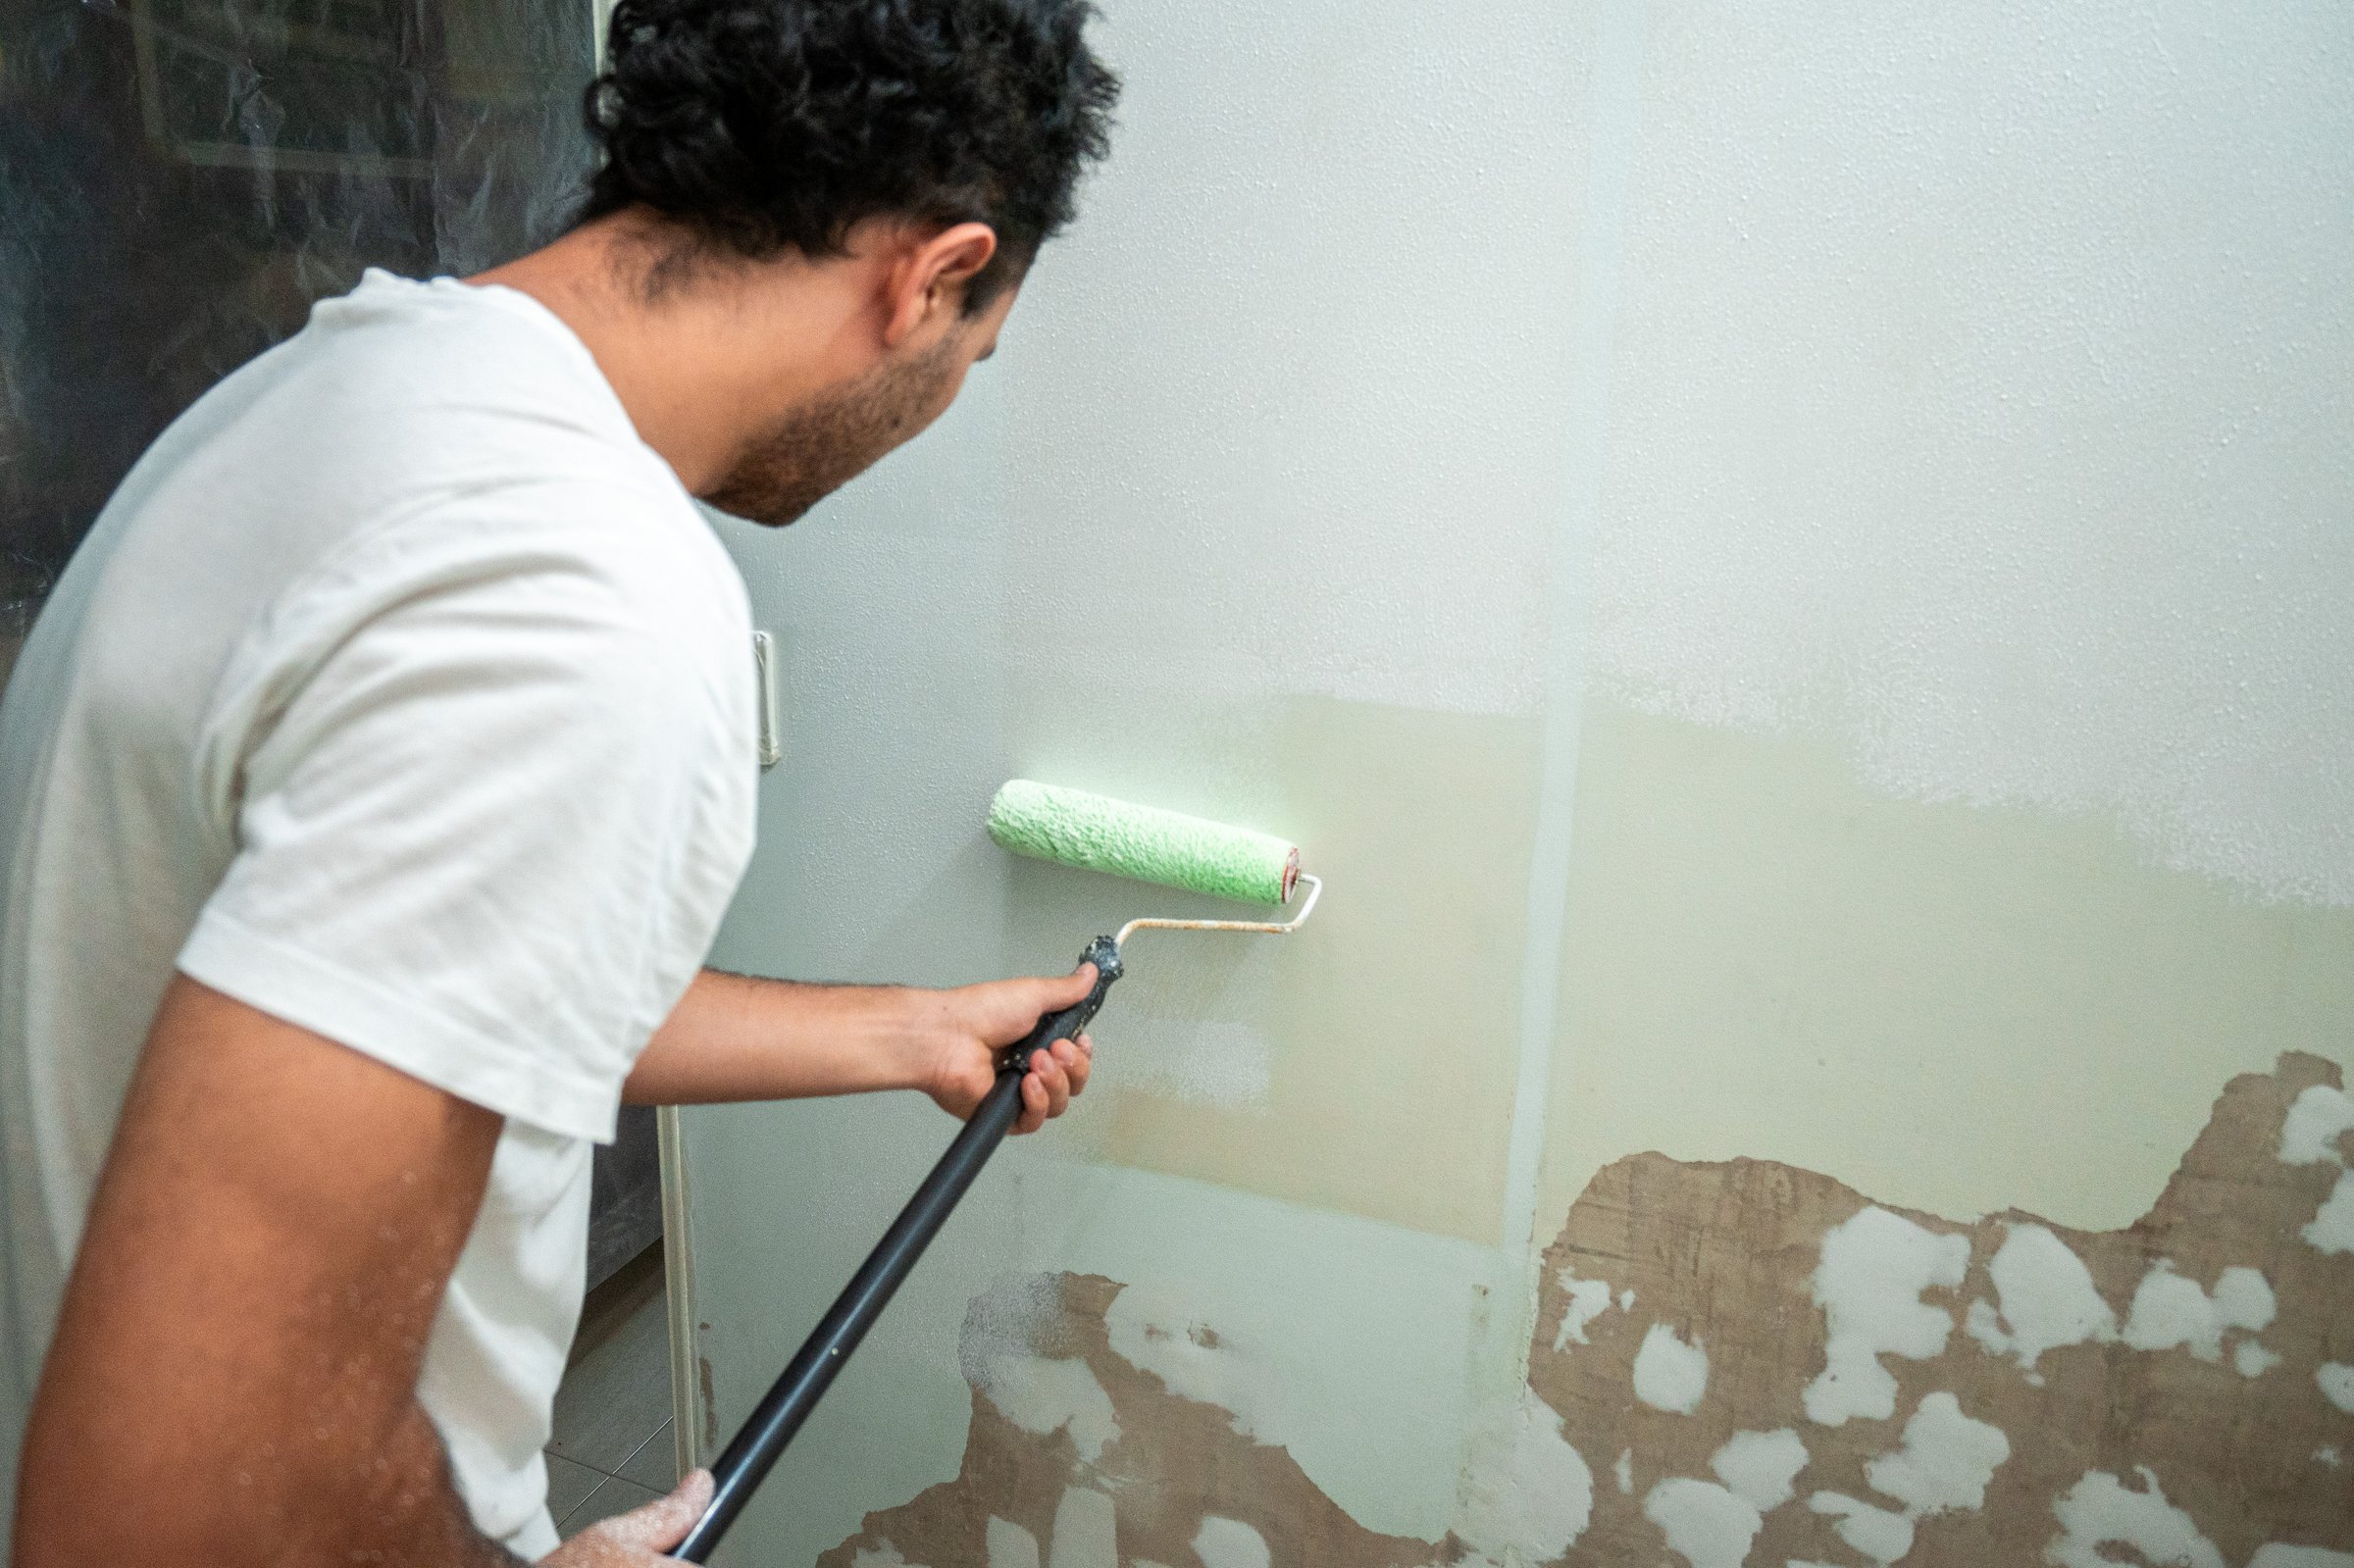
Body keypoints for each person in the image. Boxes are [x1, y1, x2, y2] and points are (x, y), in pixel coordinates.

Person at [0, 0, 1119, 1561]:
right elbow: (173, 1498)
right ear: (931, 277)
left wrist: (905, 1033)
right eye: (970, 358)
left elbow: (418, 985)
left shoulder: (315, 398)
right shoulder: (578, 593)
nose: (942, 403)